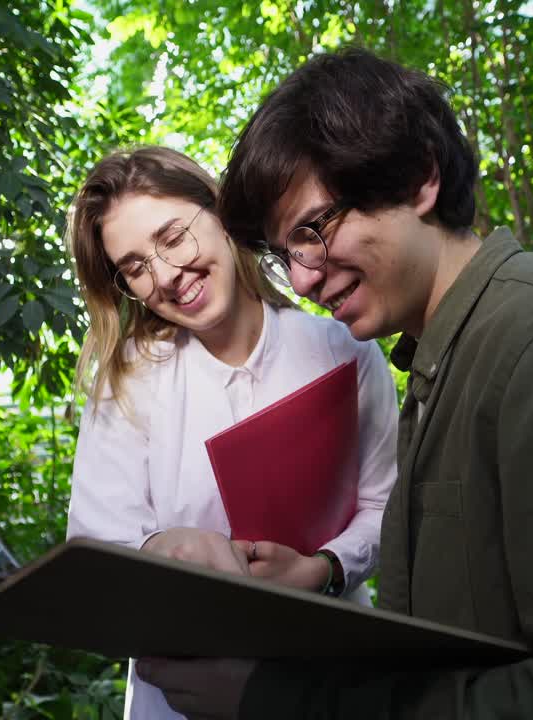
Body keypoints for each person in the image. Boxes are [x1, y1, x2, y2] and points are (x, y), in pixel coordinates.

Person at [136, 49, 533, 718]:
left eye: (314, 228)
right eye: (285, 254)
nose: (302, 278)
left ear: (420, 177)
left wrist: (281, 699)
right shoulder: (446, 366)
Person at [64, 146, 399, 720]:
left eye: (173, 238)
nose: (166, 276)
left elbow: (384, 506)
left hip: (328, 680)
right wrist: (162, 550)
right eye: (136, 268)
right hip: (184, 696)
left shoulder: (344, 351)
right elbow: (97, 559)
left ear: (219, 214)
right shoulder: (127, 386)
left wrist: (323, 569)